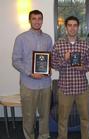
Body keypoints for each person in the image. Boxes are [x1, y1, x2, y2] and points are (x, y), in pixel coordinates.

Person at [12, 10, 52, 139]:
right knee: (29, 116)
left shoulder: (48, 38)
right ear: (30, 20)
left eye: (39, 18)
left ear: (42, 20)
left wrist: (49, 68)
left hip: (45, 84)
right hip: (28, 84)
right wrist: (30, 73)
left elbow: (49, 58)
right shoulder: (21, 38)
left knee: (45, 114)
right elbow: (16, 61)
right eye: (34, 18)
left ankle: (44, 136)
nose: (37, 21)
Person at [51, 16, 89, 139]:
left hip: (82, 88)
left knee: (85, 118)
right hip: (65, 89)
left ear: (78, 27)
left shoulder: (85, 44)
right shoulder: (58, 45)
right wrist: (65, 59)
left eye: (75, 25)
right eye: (70, 25)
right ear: (66, 27)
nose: (72, 28)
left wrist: (82, 68)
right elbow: (53, 65)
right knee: (63, 119)